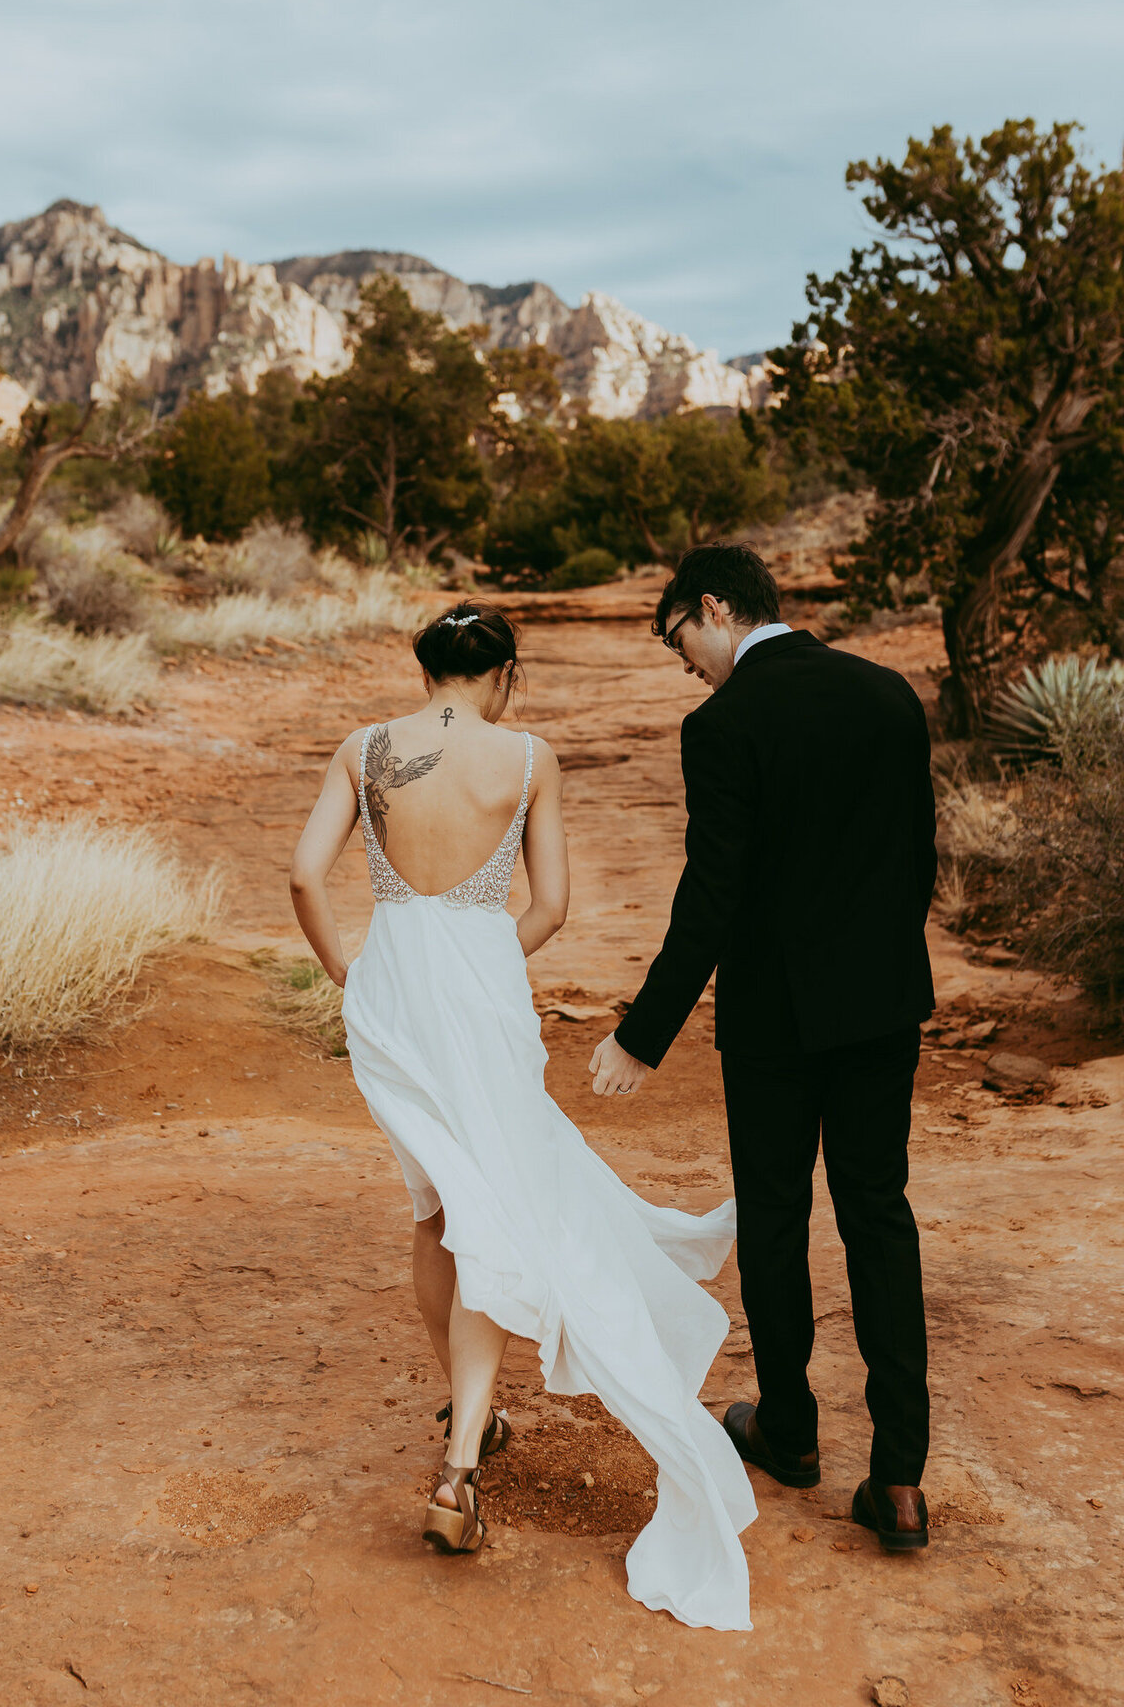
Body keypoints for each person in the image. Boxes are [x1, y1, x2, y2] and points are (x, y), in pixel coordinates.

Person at [289, 601, 757, 1630]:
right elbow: (549, 906)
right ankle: (460, 1464)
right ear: (503, 674)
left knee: (437, 1208)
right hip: (480, 983)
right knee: (492, 1207)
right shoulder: (528, 756)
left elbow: (301, 874)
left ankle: (466, 1410)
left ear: (426, 669)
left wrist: (347, 972)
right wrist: (486, 960)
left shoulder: (365, 748)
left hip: (392, 989)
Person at [590, 544, 936, 1554]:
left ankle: (787, 1430)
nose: (684, 663)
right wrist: (877, 965)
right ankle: (902, 1478)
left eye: (680, 641)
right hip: (879, 1008)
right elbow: (917, 858)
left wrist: (640, 1036)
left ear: (714, 607)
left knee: (778, 1219)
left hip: (774, 1022)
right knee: (880, 1216)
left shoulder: (725, 724)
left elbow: (714, 897)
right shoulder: (889, 696)